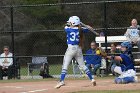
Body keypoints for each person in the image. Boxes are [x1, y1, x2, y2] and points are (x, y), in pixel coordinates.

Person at [55, 16, 97, 89]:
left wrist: (76, 24)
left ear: (73, 23)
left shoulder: (68, 29)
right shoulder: (81, 29)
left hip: (71, 49)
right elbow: (90, 28)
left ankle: (61, 81)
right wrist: (83, 25)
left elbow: (66, 26)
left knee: (65, 65)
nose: (69, 23)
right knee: (83, 65)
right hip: (78, 49)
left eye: (71, 22)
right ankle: (92, 79)